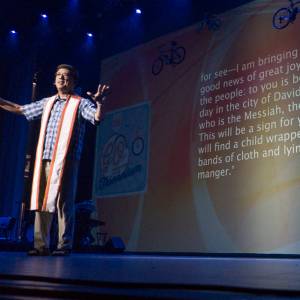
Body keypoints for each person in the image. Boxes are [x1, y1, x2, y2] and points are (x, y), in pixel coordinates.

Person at [0, 64, 109, 256]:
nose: (61, 79)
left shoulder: (80, 103)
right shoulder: (47, 102)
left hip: (67, 159)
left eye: (66, 76)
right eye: (58, 75)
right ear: (54, 80)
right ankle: (40, 245)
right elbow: (20, 109)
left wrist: (99, 104)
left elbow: (96, 118)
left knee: (63, 202)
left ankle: (63, 245)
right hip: (45, 158)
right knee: (41, 200)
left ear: (74, 82)